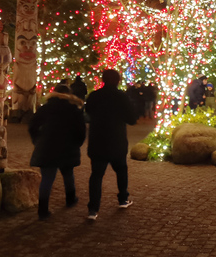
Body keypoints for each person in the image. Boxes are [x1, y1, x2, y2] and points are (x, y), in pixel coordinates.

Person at [85, 68, 138, 220]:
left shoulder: (94, 96)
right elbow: (132, 119)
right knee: (121, 170)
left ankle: (93, 209)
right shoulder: (122, 97)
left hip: (98, 141)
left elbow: (88, 112)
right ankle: (123, 199)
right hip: (116, 140)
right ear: (118, 81)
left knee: (96, 175)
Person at [28, 83, 86, 220]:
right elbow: (81, 131)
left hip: (47, 147)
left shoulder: (46, 108)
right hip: (67, 147)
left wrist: (37, 140)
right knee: (68, 174)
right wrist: (76, 144)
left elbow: (32, 126)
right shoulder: (74, 110)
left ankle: (43, 209)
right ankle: (70, 199)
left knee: (47, 179)